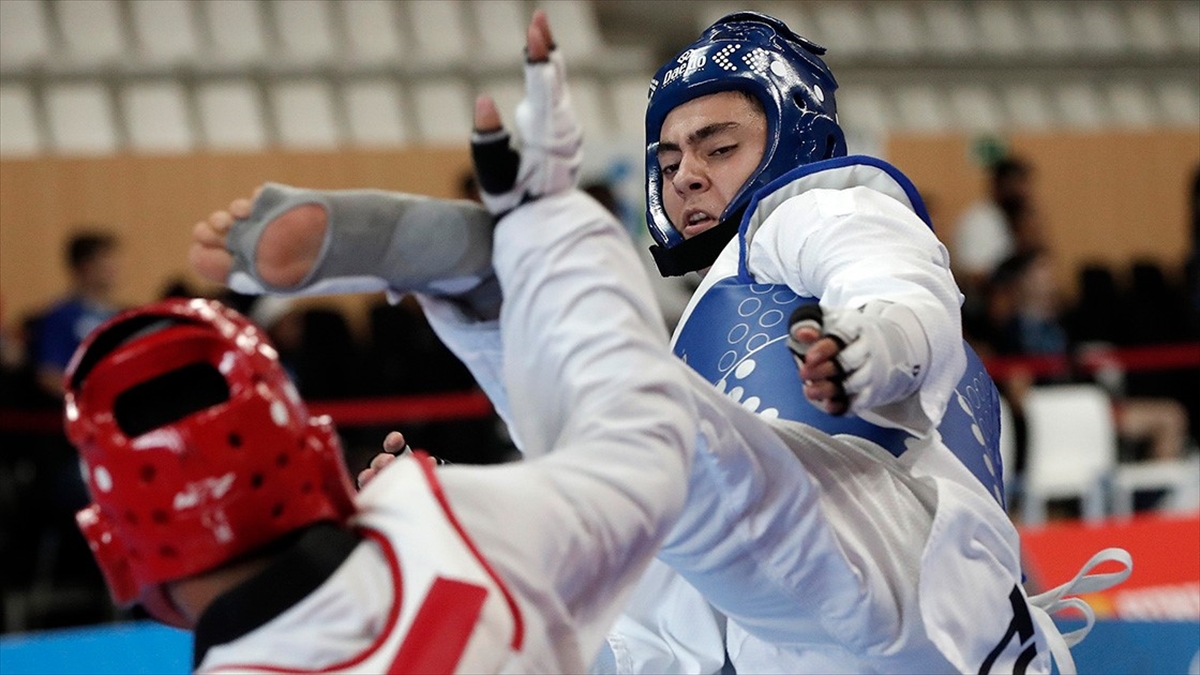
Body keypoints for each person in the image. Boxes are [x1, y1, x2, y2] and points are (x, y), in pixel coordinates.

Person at [190, 11, 1129, 675]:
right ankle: (488, 342)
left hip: (898, 578)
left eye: (718, 147)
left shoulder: (818, 206)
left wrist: (869, 344)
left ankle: (502, 289)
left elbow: (899, 286)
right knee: (625, 477)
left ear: (794, 138)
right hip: (732, 637)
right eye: (670, 157)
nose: (685, 176)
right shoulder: (703, 316)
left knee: (682, 452)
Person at [64, 20, 697, 670]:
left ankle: (488, 285)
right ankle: (489, 280)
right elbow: (647, 454)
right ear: (315, 453)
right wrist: (555, 228)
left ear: (116, 550)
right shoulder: (441, 522)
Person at [32, 230, 121, 398]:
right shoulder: (62, 316)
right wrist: (87, 399)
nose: (114, 268)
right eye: (105, 261)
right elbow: (49, 375)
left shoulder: (120, 316)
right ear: (86, 267)